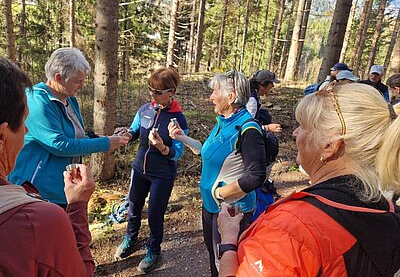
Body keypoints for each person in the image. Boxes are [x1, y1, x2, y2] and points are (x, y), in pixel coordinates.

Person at [217, 82, 400, 276]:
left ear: (329, 146)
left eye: (303, 126)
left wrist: (228, 242)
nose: (295, 133)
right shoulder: (386, 209)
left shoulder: (290, 230)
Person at [0, 57, 96, 275]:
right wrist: (78, 206)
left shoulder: (70, 100)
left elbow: (76, 134)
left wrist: (94, 138)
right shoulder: (37, 222)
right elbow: (60, 144)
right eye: (23, 123)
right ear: (2, 136)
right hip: (44, 190)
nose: (26, 132)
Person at [169, 71, 267, 277]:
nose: (211, 97)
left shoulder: (248, 129)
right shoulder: (224, 121)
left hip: (230, 212)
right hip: (211, 207)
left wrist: (221, 194)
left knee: (226, 264)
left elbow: (256, 175)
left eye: (215, 92)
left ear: (231, 97)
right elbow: (207, 150)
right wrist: (182, 137)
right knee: (214, 258)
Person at [8, 48, 130, 208]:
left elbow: (76, 139)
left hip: (64, 188)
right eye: (78, 81)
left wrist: (107, 138)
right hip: (37, 190)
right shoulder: (36, 101)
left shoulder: (69, 99)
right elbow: (60, 145)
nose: (82, 85)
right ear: (58, 78)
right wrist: (107, 143)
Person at [113, 68, 188, 273]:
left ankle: (153, 250)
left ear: (171, 92)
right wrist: (126, 133)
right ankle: (130, 238)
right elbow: (135, 131)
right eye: (150, 89)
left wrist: (162, 147)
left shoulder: (178, 119)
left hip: (162, 175)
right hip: (139, 170)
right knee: (133, 208)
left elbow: (178, 152)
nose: (151, 95)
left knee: (155, 214)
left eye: (157, 92)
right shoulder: (145, 109)